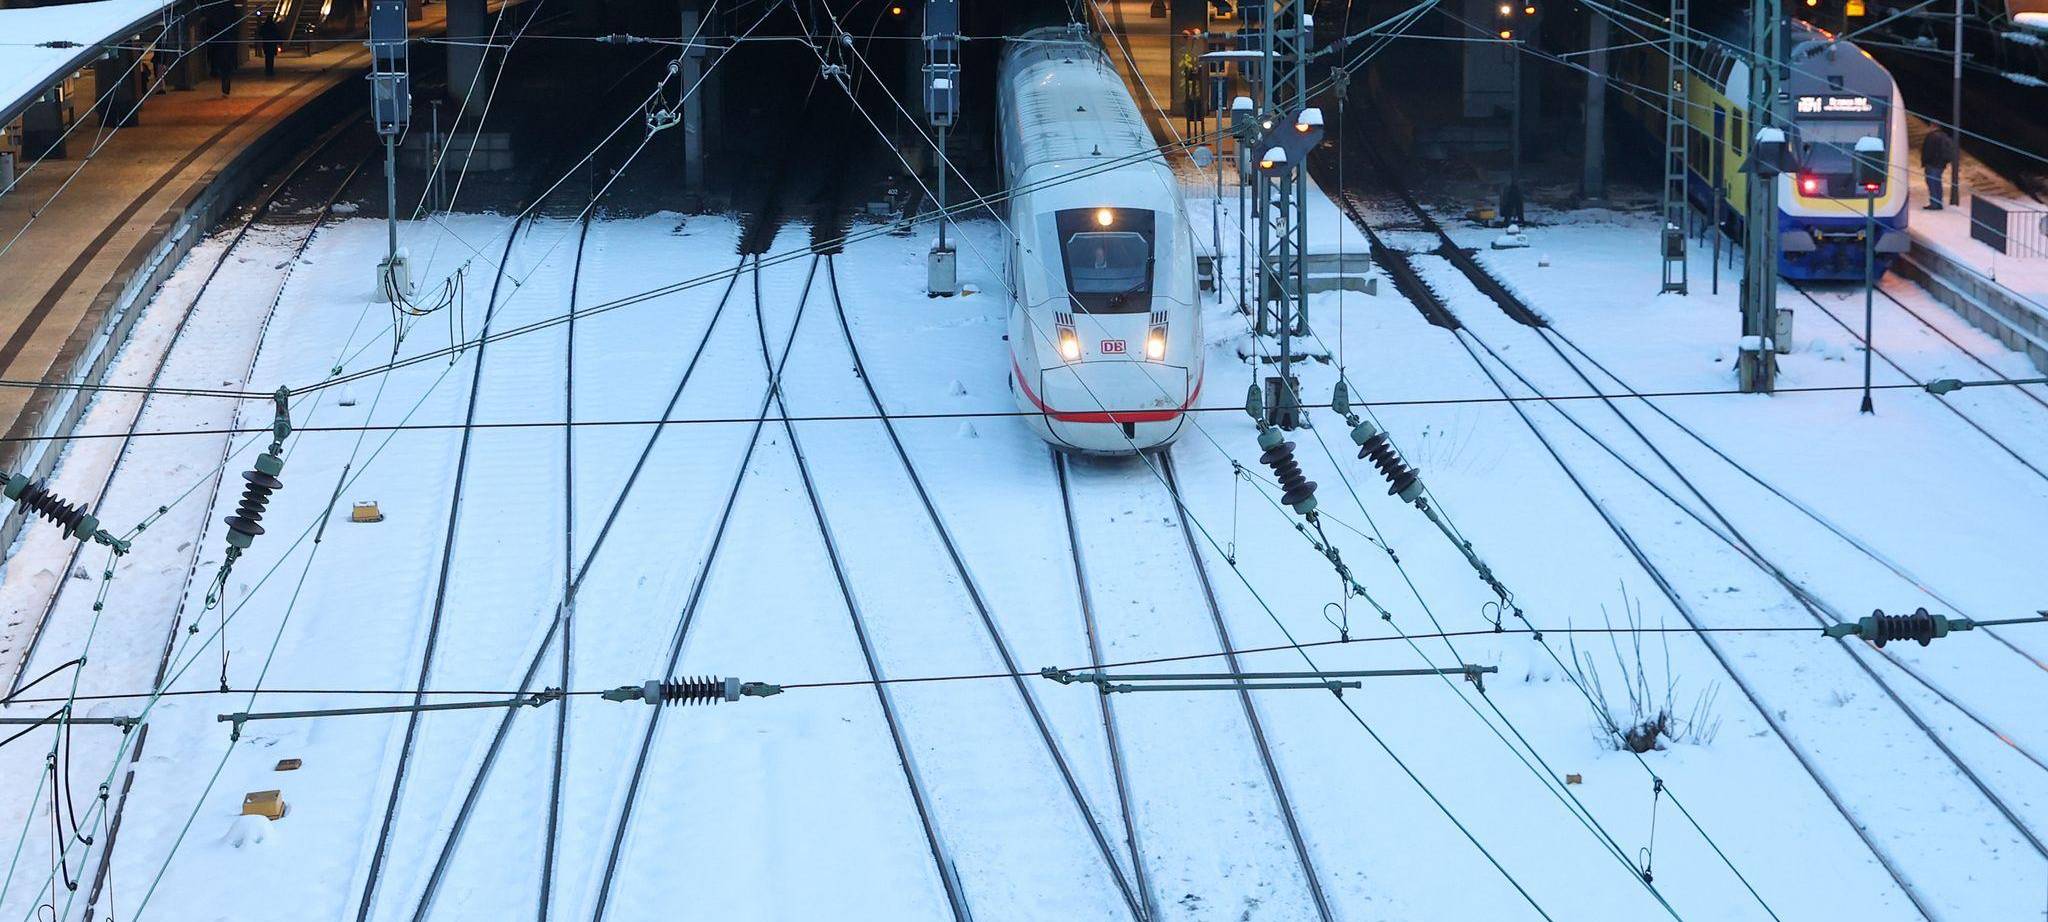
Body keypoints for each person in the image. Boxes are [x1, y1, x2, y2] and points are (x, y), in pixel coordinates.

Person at [1922, 126, 1956, 210]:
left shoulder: (1931, 137)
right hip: (1940, 164)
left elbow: (1927, 151)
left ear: (1933, 126)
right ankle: (1938, 203)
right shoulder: (1944, 136)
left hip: (1932, 164)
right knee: (1937, 183)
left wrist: (1925, 162)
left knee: (1932, 183)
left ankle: (1934, 204)